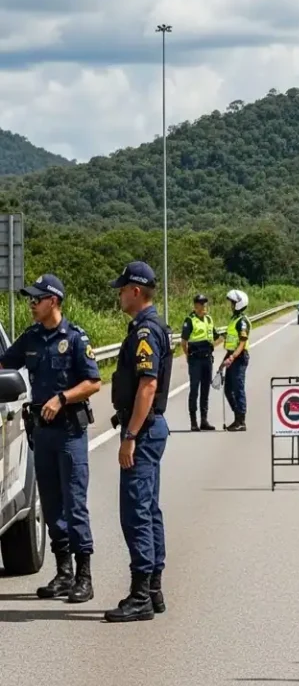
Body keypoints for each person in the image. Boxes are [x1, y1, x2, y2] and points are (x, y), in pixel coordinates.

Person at [0, 274, 101, 602]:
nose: (31, 304)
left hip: (70, 433)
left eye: (37, 299)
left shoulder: (74, 338)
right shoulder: (31, 337)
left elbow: (94, 382)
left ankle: (84, 576)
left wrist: (62, 398)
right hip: (41, 434)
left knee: (74, 504)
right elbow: (4, 363)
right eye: (30, 299)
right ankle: (63, 573)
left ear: (53, 301)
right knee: (52, 505)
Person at [104, 261, 173, 623]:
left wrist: (129, 436)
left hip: (143, 431)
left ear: (135, 291)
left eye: (121, 290)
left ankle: (141, 594)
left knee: (135, 514)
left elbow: (148, 386)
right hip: (151, 428)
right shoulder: (151, 326)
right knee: (148, 510)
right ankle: (154, 589)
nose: (119, 295)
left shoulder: (146, 331)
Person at [180, 293, 221, 431]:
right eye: (201, 304)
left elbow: (216, 336)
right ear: (195, 306)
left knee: (205, 389)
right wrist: (188, 355)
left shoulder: (209, 319)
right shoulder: (190, 320)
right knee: (194, 389)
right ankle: (193, 422)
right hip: (195, 359)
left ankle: (204, 420)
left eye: (205, 304)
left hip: (207, 358)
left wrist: (212, 346)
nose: (204, 306)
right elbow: (184, 342)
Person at [220, 289, 250, 432]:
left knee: (238, 389)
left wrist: (232, 357)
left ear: (239, 304)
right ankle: (237, 417)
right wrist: (223, 362)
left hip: (239, 357)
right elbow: (231, 343)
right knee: (228, 390)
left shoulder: (242, 322)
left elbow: (242, 343)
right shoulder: (234, 319)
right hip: (232, 356)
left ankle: (241, 421)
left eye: (232, 303)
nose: (230, 305)